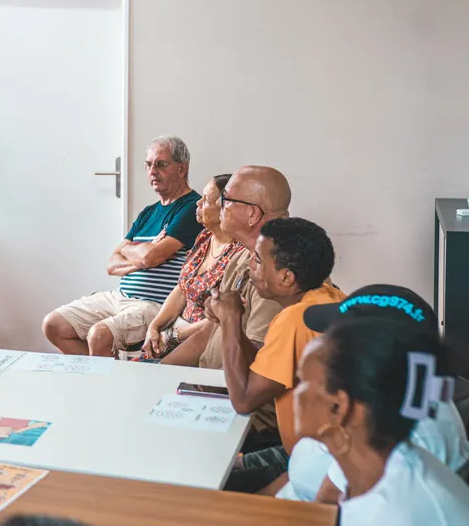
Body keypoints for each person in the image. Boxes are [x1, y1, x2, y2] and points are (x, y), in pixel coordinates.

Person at [277, 285, 469, 503]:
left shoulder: (396, 434)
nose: (323, 344)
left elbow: (329, 506)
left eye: (337, 339)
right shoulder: (380, 397)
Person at [212, 217, 345, 493]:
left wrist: (228, 319)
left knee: (208, 485)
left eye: (258, 261)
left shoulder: (295, 320)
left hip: (315, 463)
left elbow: (244, 400)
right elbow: (261, 369)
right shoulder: (329, 297)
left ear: (286, 277)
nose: (250, 266)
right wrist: (233, 323)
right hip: (310, 452)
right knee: (217, 464)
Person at [42, 136, 203, 357]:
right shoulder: (148, 212)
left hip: (154, 305)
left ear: (182, 168)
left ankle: (106, 383)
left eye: (161, 164)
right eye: (148, 164)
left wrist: (137, 252)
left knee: (99, 335)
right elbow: (112, 263)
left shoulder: (191, 208)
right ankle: (110, 372)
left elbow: (151, 257)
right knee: (53, 325)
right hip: (120, 296)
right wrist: (141, 253)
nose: (152, 171)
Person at [161, 165, 290, 369]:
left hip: (231, 393)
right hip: (209, 382)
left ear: (252, 214)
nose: (219, 206)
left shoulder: (277, 271)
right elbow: (207, 334)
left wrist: (229, 318)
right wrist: (161, 369)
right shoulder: (240, 258)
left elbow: (257, 367)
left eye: (226, 200)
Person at [139, 174, 245, 359]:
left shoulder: (240, 253)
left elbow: (223, 317)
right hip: (175, 332)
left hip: (204, 340)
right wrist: (154, 327)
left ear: (224, 207)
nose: (197, 203)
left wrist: (174, 336)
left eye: (205, 200)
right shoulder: (204, 237)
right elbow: (182, 289)